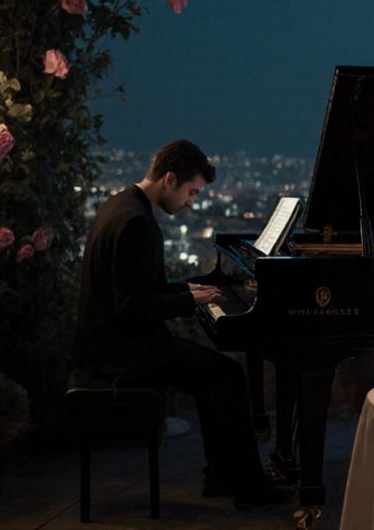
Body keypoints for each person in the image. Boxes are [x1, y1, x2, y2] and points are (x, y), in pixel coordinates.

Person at [73, 139, 291, 510]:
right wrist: (190, 299)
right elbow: (133, 308)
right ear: (170, 179)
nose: (192, 201)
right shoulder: (137, 224)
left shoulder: (122, 204)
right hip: (123, 352)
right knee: (227, 376)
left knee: (211, 375)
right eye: (191, 192)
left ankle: (222, 474)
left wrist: (187, 287)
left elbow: (137, 288)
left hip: (110, 341)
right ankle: (250, 487)